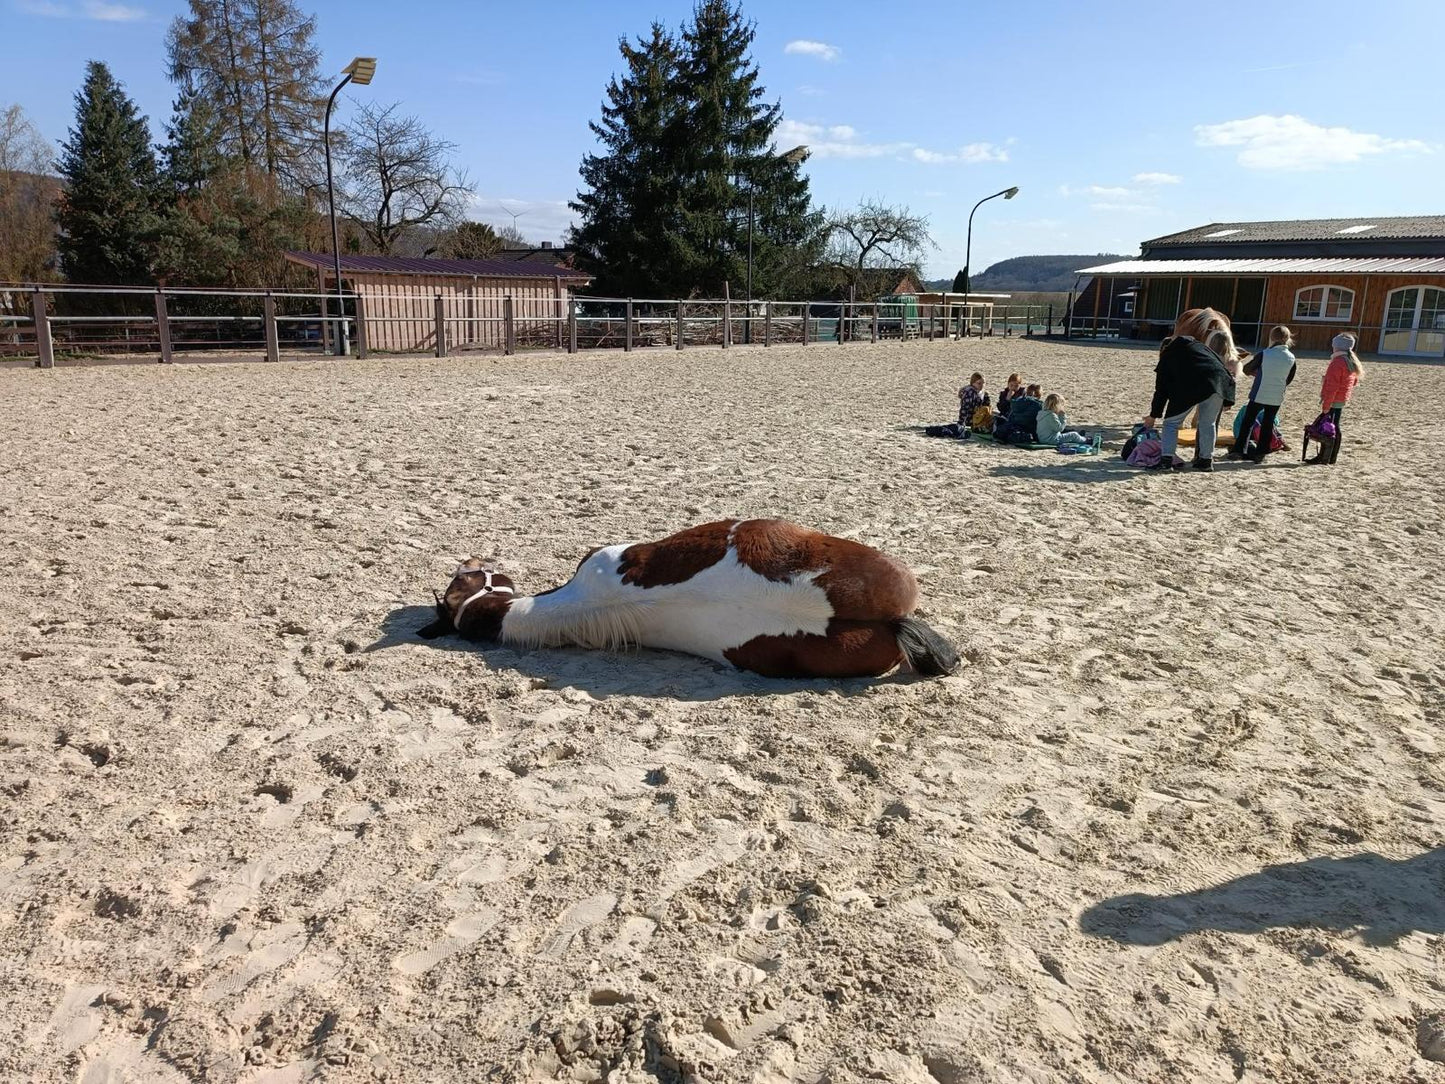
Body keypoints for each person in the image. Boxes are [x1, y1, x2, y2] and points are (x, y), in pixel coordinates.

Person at [1141, 328, 1237, 472]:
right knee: (1208, 423)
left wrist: (1154, 416)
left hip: (1193, 386)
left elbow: (1161, 391)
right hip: (1218, 384)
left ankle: (1166, 461)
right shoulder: (1202, 348)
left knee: (1171, 424)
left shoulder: (1168, 356)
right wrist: (1228, 399)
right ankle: (1205, 461)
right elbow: (1223, 372)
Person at [1228, 325, 1297, 463]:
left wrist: (1258, 373)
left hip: (1260, 393)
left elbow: (1247, 369)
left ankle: (1239, 450)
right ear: (1288, 339)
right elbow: (1288, 379)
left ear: (1271, 338)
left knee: (1248, 421)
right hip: (1277, 395)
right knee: (1268, 422)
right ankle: (1261, 452)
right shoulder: (1291, 357)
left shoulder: (1265, 354)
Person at [1314, 332, 1364, 465]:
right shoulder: (1350, 361)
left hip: (1334, 400)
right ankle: (1330, 456)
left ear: (1337, 347)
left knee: (1329, 428)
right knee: (1334, 425)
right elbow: (1351, 382)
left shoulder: (1337, 363)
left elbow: (1332, 387)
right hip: (1341, 399)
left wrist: (1326, 405)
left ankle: (1326, 456)